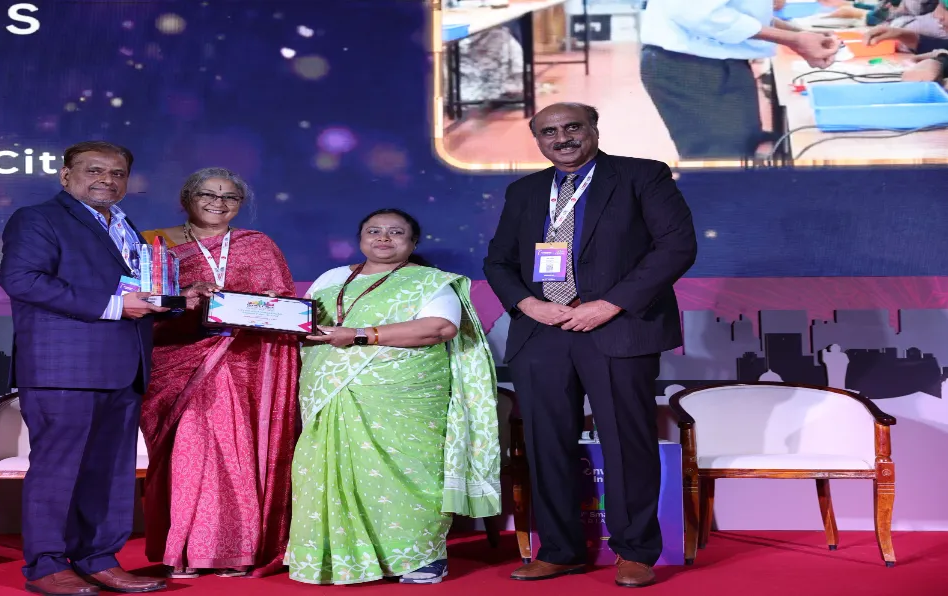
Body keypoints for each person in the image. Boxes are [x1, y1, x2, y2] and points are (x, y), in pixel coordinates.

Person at [483, 103, 697, 588]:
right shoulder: (525, 191)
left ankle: (636, 551)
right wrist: (527, 305)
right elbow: (498, 262)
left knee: (626, 442)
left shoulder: (642, 176)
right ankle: (559, 550)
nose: (562, 138)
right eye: (549, 131)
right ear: (537, 140)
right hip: (543, 331)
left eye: (573, 127)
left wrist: (611, 304)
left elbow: (677, 245)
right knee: (546, 444)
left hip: (616, 328)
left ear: (594, 128)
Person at [0, 141, 204, 596]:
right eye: (94, 170)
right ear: (65, 174)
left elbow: (132, 290)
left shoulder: (125, 225)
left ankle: (98, 559)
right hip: (64, 367)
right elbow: (22, 280)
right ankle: (46, 566)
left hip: (124, 365)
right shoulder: (38, 218)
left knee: (110, 472)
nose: (106, 180)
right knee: (57, 468)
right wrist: (115, 307)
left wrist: (170, 301)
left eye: (117, 174)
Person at [286, 209, 501, 586]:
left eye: (396, 232)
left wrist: (359, 334)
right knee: (323, 470)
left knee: (410, 472)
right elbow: (302, 324)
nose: (384, 238)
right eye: (374, 231)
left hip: (405, 396)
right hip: (330, 391)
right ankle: (337, 557)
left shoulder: (430, 281)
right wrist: (269, 310)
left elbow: (439, 328)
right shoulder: (331, 279)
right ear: (360, 238)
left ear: (413, 243)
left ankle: (422, 557)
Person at [136, 168, 300, 578]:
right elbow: (144, 304)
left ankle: (237, 550)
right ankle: (187, 550)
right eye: (207, 194)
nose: (218, 203)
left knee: (241, 453)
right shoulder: (157, 245)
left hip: (249, 364)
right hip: (181, 362)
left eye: (229, 198)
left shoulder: (258, 245)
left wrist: (251, 304)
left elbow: (282, 303)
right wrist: (188, 302)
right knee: (192, 453)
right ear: (187, 198)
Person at [640, 0, 841, 159]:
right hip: (691, 66)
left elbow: (741, 12)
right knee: (721, 165)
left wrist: (799, 34)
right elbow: (701, 15)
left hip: (714, 62)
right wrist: (793, 39)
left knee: (740, 151)